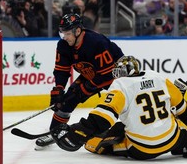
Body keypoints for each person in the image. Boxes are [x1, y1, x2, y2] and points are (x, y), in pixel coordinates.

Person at [49, 55, 187, 160]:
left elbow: (101, 120)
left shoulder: (120, 85)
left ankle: (93, 145)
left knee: (106, 139)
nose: (117, 75)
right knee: (185, 133)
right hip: (171, 139)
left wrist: (75, 131)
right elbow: (181, 107)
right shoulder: (158, 76)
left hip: (142, 150)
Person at [35, 13, 124, 150]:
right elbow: (62, 69)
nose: (64, 37)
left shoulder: (96, 43)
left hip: (116, 75)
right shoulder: (63, 45)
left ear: (78, 31)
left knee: (121, 103)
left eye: (67, 33)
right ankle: (56, 131)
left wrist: (85, 89)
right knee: (67, 99)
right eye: (62, 33)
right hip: (91, 73)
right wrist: (58, 89)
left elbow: (107, 75)